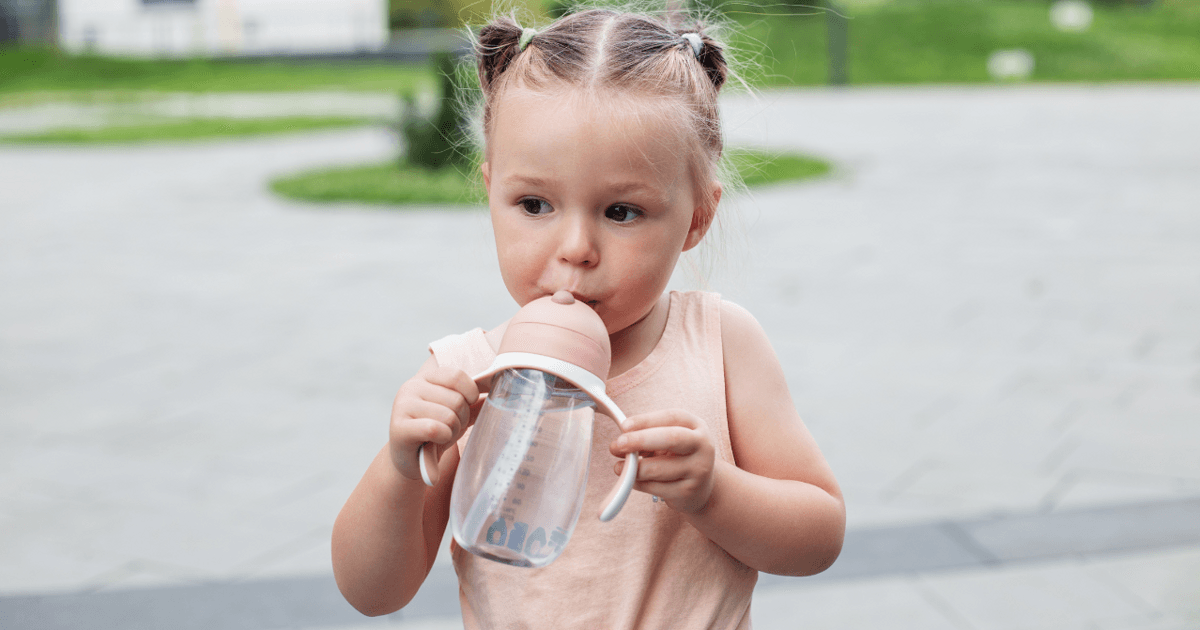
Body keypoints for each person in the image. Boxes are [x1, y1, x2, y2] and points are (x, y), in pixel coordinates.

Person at [332, 7, 845, 628]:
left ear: (696, 219)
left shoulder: (718, 343)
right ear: (490, 192)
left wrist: (715, 492)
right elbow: (372, 592)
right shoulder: (467, 376)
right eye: (535, 204)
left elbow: (819, 536)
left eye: (622, 212)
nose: (575, 246)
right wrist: (399, 469)